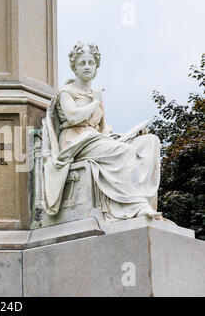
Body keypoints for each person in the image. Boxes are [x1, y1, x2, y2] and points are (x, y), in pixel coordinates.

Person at [42, 42, 162, 222]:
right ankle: (134, 205)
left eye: (91, 62)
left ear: (96, 65)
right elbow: (73, 117)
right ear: (74, 67)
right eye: (82, 63)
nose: (87, 67)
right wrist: (95, 103)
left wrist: (129, 135)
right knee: (125, 151)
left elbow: (102, 129)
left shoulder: (95, 94)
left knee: (149, 141)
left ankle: (144, 198)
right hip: (76, 142)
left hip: (96, 139)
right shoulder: (66, 92)